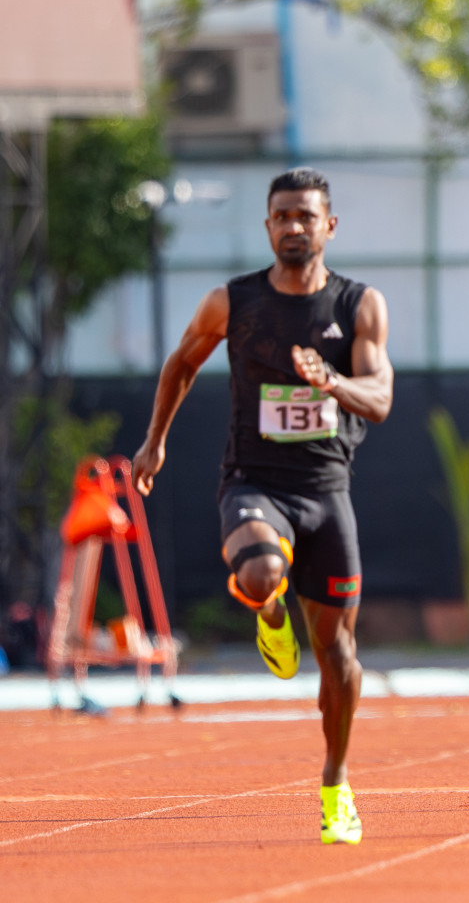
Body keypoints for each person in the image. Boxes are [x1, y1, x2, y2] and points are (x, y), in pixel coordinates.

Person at [131, 167, 393, 844]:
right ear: (268, 226)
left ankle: (335, 783)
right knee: (257, 573)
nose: (294, 227)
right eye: (282, 216)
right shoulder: (233, 302)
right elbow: (181, 363)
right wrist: (154, 442)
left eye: (306, 216)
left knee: (338, 654)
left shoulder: (358, 306)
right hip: (254, 481)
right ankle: (270, 610)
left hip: (326, 491)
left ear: (328, 226)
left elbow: (381, 399)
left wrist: (329, 380)